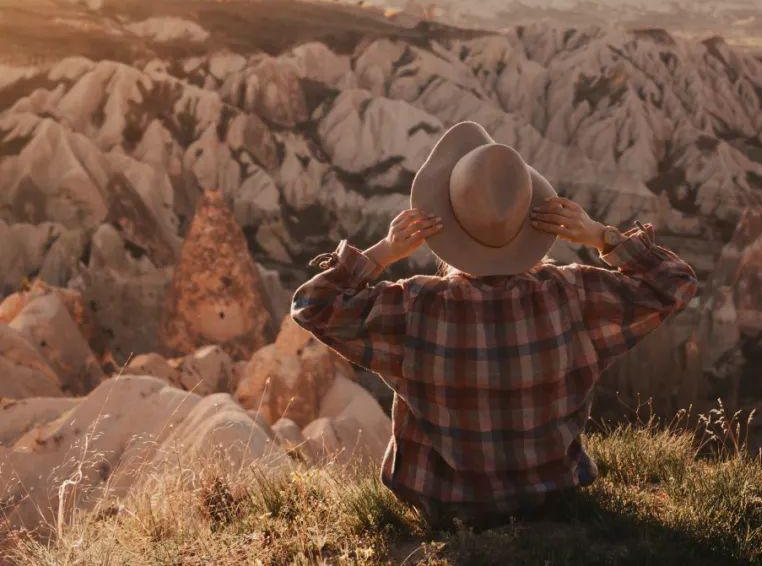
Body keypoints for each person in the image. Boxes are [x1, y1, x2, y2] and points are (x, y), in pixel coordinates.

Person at [291, 121, 697, 525]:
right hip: (553, 499)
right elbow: (674, 283)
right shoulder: (573, 295)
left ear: (445, 225)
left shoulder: (415, 307)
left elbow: (313, 305)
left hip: (447, 507)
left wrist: (381, 252)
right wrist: (601, 236)